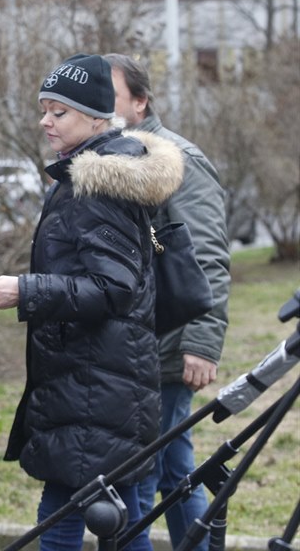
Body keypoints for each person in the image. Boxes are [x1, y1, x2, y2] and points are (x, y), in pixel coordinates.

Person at [0, 53, 185, 551]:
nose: (45, 120)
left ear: (94, 117)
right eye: (44, 109)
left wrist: (23, 290)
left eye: (59, 111)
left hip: (95, 382)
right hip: (101, 377)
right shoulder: (98, 173)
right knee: (119, 513)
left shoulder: (97, 186)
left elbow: (113, 289)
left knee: (64, 514)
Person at [104, 53, 231, 551]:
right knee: (175, 467)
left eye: (110, 96)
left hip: (168, 346)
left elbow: (207, 257)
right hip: (137, 343)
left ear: (140, 101)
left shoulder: (176, 160)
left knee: (151, 470)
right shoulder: (117, 157)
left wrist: (201, 342)